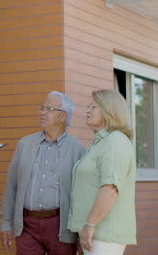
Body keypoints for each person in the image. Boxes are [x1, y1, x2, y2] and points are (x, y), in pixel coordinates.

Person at [0, 91, 86, 255]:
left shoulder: (78, 150)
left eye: (49, 109)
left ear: (63, 116)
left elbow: (82, 197)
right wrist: (6, 223)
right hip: (27, 226)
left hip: (60, 226)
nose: (42, 112)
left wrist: (80, 234)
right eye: (41, 108)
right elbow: (12, 185)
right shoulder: (24, 144)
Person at [67, 89, 137, 255]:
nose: (87, 111)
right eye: (88, 106)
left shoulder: (115, 141)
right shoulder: (100, 142)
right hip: (93, 232)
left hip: (104, 233)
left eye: (93, 107)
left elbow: (110, 188)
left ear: (109, 111)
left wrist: (90, 225)